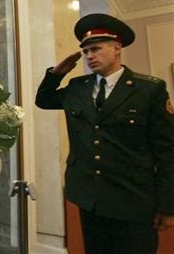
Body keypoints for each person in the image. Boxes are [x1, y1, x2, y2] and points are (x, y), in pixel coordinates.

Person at [35, 13, 174, 254]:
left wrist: (168, 206)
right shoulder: (78, 88)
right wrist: (56, 74)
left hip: (134, 200)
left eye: (96, 49)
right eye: (86, 51)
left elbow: (167, 151)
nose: (89, 56)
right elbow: (44, 100)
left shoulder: (148, 89)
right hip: (90, 199)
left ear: (117, 48)